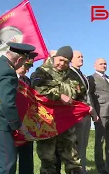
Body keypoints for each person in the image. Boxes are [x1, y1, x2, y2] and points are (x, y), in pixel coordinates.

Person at [0, 42, 36, 174]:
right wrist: (17, 125)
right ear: (19, 59)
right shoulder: (8, 71)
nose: (21, 66)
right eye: (22, 63)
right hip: (0, 123)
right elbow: (7, 103)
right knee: (7, 163)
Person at [30, 46, 85, 174]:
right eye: (60, 60)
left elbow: (81, 94)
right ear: (55, 57)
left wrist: (83, 107)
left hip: (67, 122)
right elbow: (37, 89)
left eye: (66, 62)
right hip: (47, 121)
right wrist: (59, 95)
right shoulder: (42, 71)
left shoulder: (73, 75)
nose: (62, 64)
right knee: (48, 157)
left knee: (72, 157)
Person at [88, 58, 109, 174]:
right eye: (101, 64)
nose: (103, 65)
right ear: (94, 65)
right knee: (100, 142)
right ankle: (101, 168)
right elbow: (90, 96)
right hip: (101, 114)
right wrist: (94, 113)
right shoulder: (91, 79)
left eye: (105, 63)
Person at [70, 50, 98, 174]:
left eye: (82, 56)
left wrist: (94, 112)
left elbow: (88, 95)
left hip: (87, 114)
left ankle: (83, 170)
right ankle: (76, 170)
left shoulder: (84, 76)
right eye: (78, 57)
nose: (81, 58)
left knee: (83, 144)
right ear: (71, 59)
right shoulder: (69, 74)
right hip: (76, 114)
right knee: (75, 145)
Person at [16, 53, 37, 174]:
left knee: (27, 157)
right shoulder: (9, 78)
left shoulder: (27, 80)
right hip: (12, 122)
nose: (29, 68)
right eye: (27, 65)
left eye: (31, 65)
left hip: (27, 123)